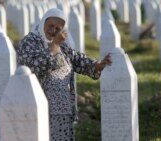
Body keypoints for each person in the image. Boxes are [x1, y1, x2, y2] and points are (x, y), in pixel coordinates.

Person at [16, 8, 111, 141]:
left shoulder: (63, 47)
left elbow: (77, 59)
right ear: (43, 22)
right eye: (51, 26)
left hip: (63, 111)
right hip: (40, 110)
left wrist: (96, 65)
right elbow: (34, 67)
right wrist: (54, 46)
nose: (53, 30)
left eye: (58, 28)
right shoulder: (29, 42)